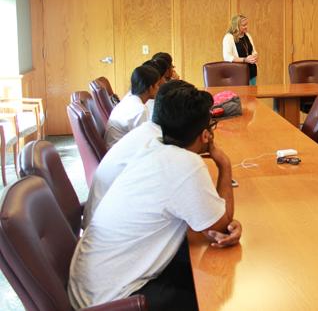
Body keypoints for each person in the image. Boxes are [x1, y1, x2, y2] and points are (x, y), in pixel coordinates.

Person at [68, 84, 241, 310]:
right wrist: (224, 164)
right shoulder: (186, 164)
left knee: (199, 266)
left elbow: (212, 226)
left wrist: (216, 218)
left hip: (91, 286)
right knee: (217, 293)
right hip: (114, 300)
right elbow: (222, 224)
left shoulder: (152, 145)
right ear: (205, 135)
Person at [82, 80, 190, 228]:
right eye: (158, 84)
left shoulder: (145, 128)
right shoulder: (151, 135)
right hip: (109, 223)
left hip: (102, 216)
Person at [104, 65, 160, 149]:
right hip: (120, 153)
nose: (159, 88)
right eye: (157, 85)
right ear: (150, 87)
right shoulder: (140, 110)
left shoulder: (129, 97)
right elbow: (144, 143)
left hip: (116, 148)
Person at [223, 14, 258, 85]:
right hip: (238, 73)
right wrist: (245, 60)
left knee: (252, 95)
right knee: (242, 95)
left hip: (252, 72)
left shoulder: (247, 35)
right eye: (244, 25)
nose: (246, 27)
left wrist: (255, 56)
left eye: (247, 24)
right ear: (236, 26)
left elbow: (253, 51)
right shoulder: (229, 37)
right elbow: (227, 57)